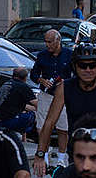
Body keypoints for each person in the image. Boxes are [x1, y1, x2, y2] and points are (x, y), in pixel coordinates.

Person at [34, 43, 96, 175]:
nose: (88, 70)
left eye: (93, 65)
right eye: (83, 66)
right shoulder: (64, 87)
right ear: (75, 66)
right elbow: (50, 122)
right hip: (78, 152)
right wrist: (40, 154)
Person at [30, 28, 74, 161]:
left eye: (50, 42)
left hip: (63, 96)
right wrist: (41, 80)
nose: (47, 45)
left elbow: (77, 74)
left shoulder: (70, 55)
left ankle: (61, 157)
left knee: (63, 127)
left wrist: (66, 83)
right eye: (45, 42)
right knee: (42, 127)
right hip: (46, 95)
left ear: (58, 41)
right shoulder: (42, 55)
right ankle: (45, 155)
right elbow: (33, 74)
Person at [0, 67, 37, 135]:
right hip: (9, 120)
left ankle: (21, 137)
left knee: (25, 110)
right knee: (32, 115)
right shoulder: (23, 86)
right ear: (25, 78)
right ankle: (19, 132)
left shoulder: (6, 83)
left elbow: (17, 104)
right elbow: (37, 104)